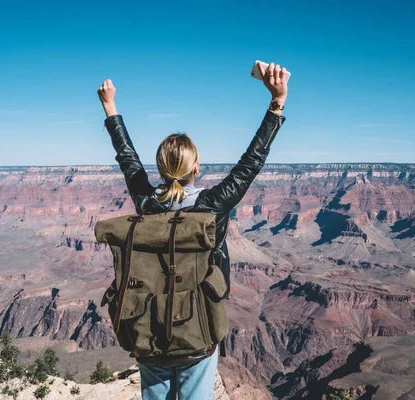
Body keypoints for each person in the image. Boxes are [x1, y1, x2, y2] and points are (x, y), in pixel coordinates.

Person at [97, 62, 288, 400]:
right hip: (198, 334)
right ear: (196, 168)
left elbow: (128, 159)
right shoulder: (213, 207)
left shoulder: (146, 204)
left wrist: (110, 107)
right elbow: (250, 163)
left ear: (159, 168)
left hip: (148, 334)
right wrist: (276, 103)